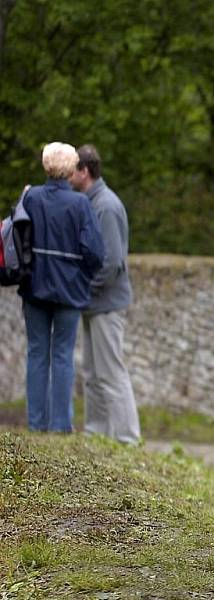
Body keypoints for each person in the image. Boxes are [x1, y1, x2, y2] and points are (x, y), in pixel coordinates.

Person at [20, 142, 105, 433]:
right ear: (71, 170)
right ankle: (60, 425)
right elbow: (95, 252)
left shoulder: (31, 198)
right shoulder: (81, 204)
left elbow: (18, 239)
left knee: (37, 352)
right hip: (70, 290)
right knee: (63, 354)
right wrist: (82, 275)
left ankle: (36, 423)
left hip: (35, 287)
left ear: (46, 166)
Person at [69, 144, 140, 444]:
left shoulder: (106, 206)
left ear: (84, 171)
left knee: (111, 372)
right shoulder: (91, 202)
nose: (68, 175)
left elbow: (111, 262)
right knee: (92, 372)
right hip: (92, 303)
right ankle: (97, 431)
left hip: (106, 303)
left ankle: (127, 437)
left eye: (72, 169)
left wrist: (83, 289)